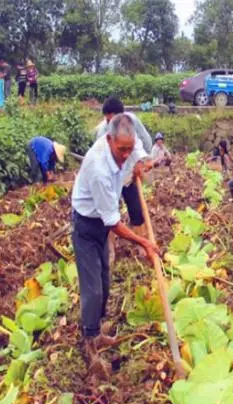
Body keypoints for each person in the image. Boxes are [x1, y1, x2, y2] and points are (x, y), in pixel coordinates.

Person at [71, 114, 160, 379]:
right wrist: (143, 242)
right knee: (93, 289)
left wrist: (137, 168)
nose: (125, 155)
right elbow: (113, 222)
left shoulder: (125, 150)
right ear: (108, 140)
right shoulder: (99, 169)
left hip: (101, 222)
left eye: (128, 149)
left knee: (106, 282)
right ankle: (89, 342)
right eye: (121, 150)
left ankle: (97, 331)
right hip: (86, 226)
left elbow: (136, 160)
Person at [96, 97, 154, 263]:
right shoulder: (103, 132)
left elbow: (145, 141)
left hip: (129, 173)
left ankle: (142, 247)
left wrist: (142, 163)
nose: (109, 123)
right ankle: (110, 251)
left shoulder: (132, 122)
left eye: (111, 119)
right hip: (112, 176)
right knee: (110, 213)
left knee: (136, 209)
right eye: (107, 120)